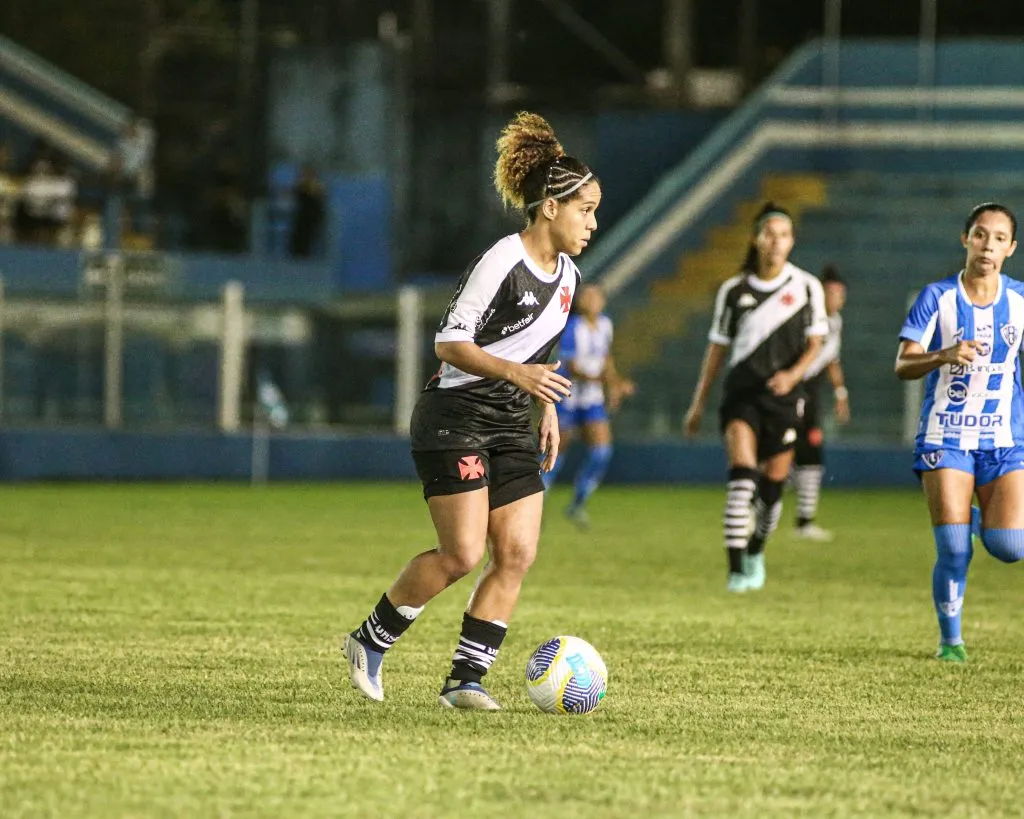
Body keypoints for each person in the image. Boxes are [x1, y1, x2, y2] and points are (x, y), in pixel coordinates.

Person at [343, 111, 600, 708]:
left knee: (517, 552)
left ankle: (464, 681)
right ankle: (370, 640)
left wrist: (549, 409)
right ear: (551, 207)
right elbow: (450, 343)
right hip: (455, 416)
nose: (593, 222)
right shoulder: (502, 260)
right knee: (462, 554)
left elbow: (539, 354)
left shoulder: (569, 277)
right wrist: (516, 375)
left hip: (512, 422)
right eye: (586, 208)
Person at [895, 202, 1024, 663]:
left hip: (1004, 442)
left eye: (997, 238)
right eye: (979, 235)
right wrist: (943, 354)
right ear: (965, 239)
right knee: (953, 551)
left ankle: (966, 517)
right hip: (945, 436)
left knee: (1009, 546)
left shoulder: (1020, 302)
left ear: (1011, 248)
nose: (987, 246)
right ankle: (951, 642)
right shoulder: (938, 298)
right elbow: (903, 364)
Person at [683, 202, 827, 593]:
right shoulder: (734, 290)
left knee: (771, 489)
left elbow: (817, 342)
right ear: (756, 239)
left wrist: (792, 375)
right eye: (769, 233)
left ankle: (756, 550)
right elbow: (716, 350)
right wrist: (697, 404)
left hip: (785, 400)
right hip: (742, 395)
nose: (776, 241)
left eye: (784, 234)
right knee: (743, 476)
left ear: (792, 241)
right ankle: (735, 571)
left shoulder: (807, 286)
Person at [540, 282, 634, 527]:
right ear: (580, 303)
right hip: (566, 396)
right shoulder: (572, 327)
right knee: (556, 451)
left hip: (591, 398)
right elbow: (572, 368)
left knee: (601, 451)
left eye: (596, 296)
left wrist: (612, 384)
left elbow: (606, 358)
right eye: (587, 297)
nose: (592, 300)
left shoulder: (605, 325)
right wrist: (609, 381)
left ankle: (577, 504)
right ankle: (536, 502)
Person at [791, 265, 851, 541]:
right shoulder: (805, 319)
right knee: (780, 450)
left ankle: (805, 520)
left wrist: (840, 394)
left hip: (809, 391)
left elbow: (831, 360)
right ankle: (757, 506)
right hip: (792, 387)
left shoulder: (835, 322)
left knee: (811, 453)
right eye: (832, 293)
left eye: (840, 294)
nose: (837, 299)